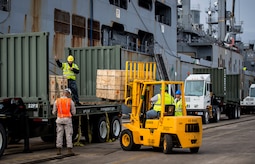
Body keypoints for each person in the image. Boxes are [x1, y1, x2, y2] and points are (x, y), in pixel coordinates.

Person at [52, 88, 76, 155]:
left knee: (59, 134)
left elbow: (54, 112)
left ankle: (59, 150)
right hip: (67, 120)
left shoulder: (57, 101)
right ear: (68, 94)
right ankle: (69, 150)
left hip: (59, 120)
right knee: (68, 134)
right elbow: (74, 112)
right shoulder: (70, 101)